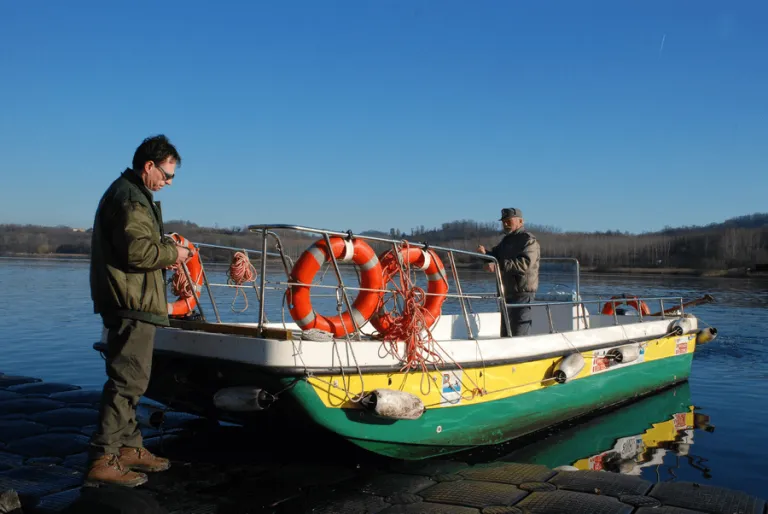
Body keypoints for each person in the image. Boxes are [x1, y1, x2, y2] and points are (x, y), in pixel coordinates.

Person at [87, 135, 192, 487]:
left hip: (131, 300)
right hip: (130, 301)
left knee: (133, 379)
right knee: (127, 381)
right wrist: (173, 254)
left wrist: (162, 246)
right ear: (149, 166)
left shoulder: (131, 194)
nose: (169, 182)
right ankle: (103, 457)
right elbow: (137, 254)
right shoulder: (131, 200)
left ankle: (129, 447)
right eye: (166, 174)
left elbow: (137, 246)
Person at [476, 207, 540, 337]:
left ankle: (522, 356)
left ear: (520, 221)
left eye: (508, 220)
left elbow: (525, 264)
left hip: (522, 293)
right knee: (505, 334)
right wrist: (485, 254)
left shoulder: (528, 240)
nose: (505, 224)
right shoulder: (506, 241)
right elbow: (495, 255)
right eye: (503, 221)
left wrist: (497, 266)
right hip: (506, 293)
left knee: (519, 334)